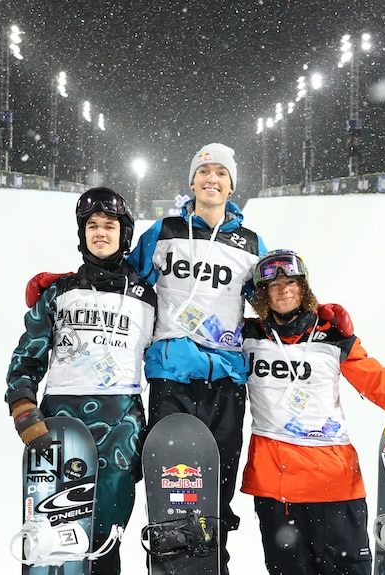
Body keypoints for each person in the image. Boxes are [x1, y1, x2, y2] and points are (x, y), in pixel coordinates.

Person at [239, 249, 385, 575]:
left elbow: (374, 379)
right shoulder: (247, 337)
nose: (284, 289)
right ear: (262, 294)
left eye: (291, 281)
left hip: (332, 481)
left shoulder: (333, 337)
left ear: (304, 287)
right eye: (274, 285)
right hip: (276, 486)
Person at [126, 142, 267, 574]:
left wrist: (317, 318)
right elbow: (125, 280)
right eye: (204, 171)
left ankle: (212, 564)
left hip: (226, 378)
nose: (212, 179)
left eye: (222, 173)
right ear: (191, 182)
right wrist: (64, 282)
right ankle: (170, 565)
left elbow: (273, 302)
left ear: (232, 184)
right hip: (172, 376)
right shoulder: (163, 231)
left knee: (215, 488)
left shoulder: (251, 242)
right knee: (173, 483)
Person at [6, 187, 157, 575]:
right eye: (92, 226)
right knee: (55, 539)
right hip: (60, 425)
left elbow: (166, 359)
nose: (101, 233)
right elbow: (29, 353)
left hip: (120, 429)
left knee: (105, 541)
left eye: (110, 226)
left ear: (124, 234)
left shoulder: (147, 298)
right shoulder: (59, 292)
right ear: (82, 233)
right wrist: (23, 405)